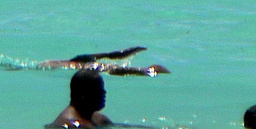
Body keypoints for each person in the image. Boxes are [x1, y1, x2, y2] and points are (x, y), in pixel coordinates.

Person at [39, 46, 168, 76]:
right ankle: (147, 71)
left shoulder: (52, 63)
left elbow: (111, 55)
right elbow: (111, 56)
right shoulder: (78, 61)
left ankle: (147, 71)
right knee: (110, 68)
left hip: (79, 64)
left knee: (110, 68)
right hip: (82, 65)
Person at [48, 70, 112, 129]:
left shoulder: (98, 119)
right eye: (98, 90)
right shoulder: (68, 124)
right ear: (83, 94)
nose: (104, 92)